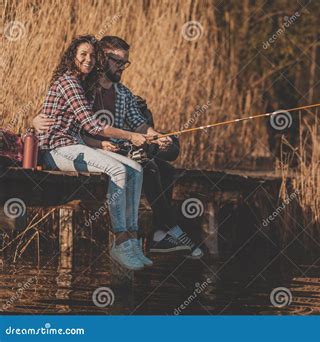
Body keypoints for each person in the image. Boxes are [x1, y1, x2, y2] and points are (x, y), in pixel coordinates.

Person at [34, 36, 203, 259]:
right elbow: (71, 119)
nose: (122, 67)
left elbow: (139, 123)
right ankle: (162, 233)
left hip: (115, 148)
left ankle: (160, 233)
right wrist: (35, 120)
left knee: (167, 162)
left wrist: (156, 136)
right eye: (117, 61)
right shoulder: (86, 87)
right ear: (103, 60)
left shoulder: (123, 93)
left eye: (125, 62)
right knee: (149, 168)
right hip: (88, 147)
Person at [36, 35, 154, 271]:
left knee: (136, 169)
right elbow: (91, 124)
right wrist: (130, 136)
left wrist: (99, 144)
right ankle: (120, 241)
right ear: (73, 57)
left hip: (75, 144)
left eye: (92, 55)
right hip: (55, 149)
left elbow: (81, 129)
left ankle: (131, 239)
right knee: (118, 169)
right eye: (83, 55)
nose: (88, 60)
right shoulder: (69, 82)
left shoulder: (84, 84)